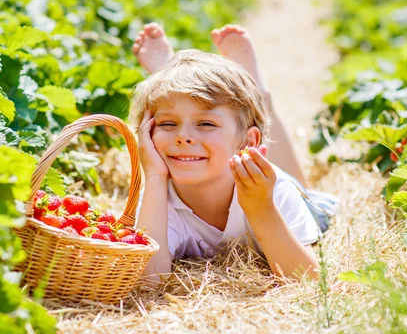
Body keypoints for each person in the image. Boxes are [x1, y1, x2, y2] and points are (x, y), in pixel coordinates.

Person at [130, 23, 338, 284]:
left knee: (298, 185)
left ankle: (261, 98)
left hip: (288, 197)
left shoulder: (270, 190)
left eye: (205, 123)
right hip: (228, 155)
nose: (182, 137)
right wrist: (155, 176)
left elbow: (308, 279)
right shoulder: (158, 199)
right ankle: (174, 76)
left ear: (246, 141)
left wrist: (262, 210)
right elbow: (148, 281)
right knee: (192, 107)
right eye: (167, 124)